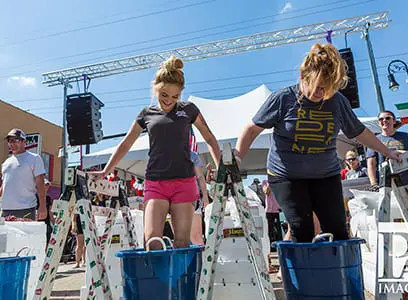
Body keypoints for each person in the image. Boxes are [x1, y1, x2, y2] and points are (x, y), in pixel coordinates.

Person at [234, 43, 401, 242]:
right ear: (302, 78)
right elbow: (252, 129)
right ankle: (297, 271)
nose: (319, 94)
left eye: (326, 89)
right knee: (301, 229)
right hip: (286, 175)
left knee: (337, 230)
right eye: (315, 87)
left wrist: (388, 152)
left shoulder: (337, 102)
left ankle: (336, 271)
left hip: (325, 175)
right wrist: (237, 157)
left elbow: (360, 132)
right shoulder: (283, 99)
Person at [89, 55, 220, 249]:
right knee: (152, 241)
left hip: (184, 182)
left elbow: (209, 137)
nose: (169, 101)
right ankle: (159, 279)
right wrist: (106, 171)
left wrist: (221, 166)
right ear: (156, 89)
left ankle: (178, 280)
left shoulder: (189, 110)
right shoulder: (146, 114)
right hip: (156, 183)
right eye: (164, 95)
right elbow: (125, 144)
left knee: (182, 243)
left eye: (175, 97)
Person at [0, 129, 47, 221]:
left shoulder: (34, 158)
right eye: (10, 141)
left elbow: (40, 184)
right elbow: (4, 186)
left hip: (26, 209)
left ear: (24, 141)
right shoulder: (6, 162)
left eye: (16, 140)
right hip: (5, 210)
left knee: (26, 235)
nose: (12, 144)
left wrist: (43, 206)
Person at [367, 110, 408, 186]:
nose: (384, 120)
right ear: (379, 123)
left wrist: (401, 152)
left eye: (387, 118)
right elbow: (371, 163)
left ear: (394, 121)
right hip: (387, 183)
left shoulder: (405, 136)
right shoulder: (374, 140)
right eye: (381, 119)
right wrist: (373, 184)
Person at [190, 151, 209, 245]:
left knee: (196, 238)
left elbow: (200, 177)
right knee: (181, 240)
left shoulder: (192, 155)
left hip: (191, 198)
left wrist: (205, 198)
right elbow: (200, 177)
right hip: (172, 198)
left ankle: (200, 259)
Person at [262, 180, 282, 252]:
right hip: (269, 211)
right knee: (269, 230)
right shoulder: (265, 182)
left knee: (278, 230)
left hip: (277, 210)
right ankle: (271, 248)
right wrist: (270, 182)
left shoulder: (278, 180)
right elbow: (266, 192)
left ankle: (280, 248)